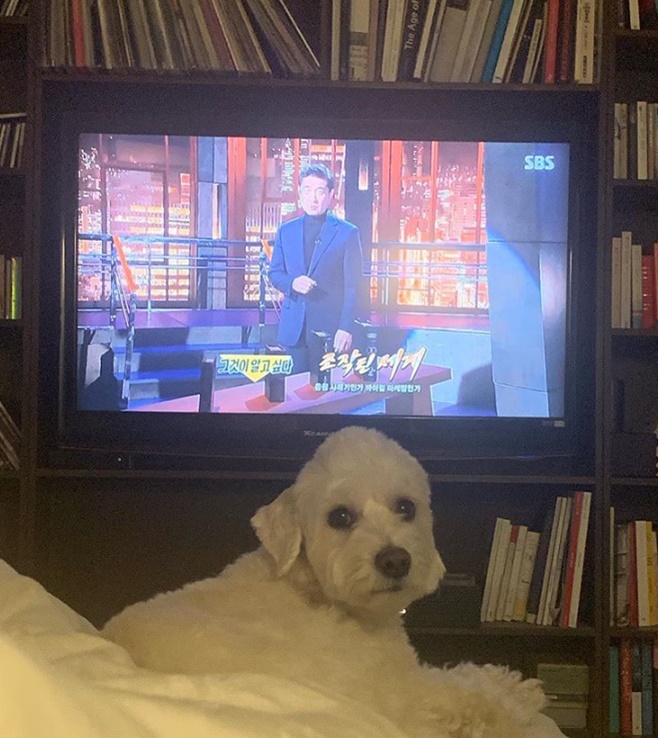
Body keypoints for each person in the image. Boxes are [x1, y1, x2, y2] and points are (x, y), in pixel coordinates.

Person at [268, 162, 364, 373]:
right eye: (307, 190)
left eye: (320, 192)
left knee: (326, 391)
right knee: (293, 390)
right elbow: (274, 273)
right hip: (294, 331)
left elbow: (354, 287)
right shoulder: (286, 231)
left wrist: (346, 328)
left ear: (330, 195)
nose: (313, 198)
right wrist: (293, 283)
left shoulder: (347, 233)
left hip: (330, 331)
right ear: (299, 193)